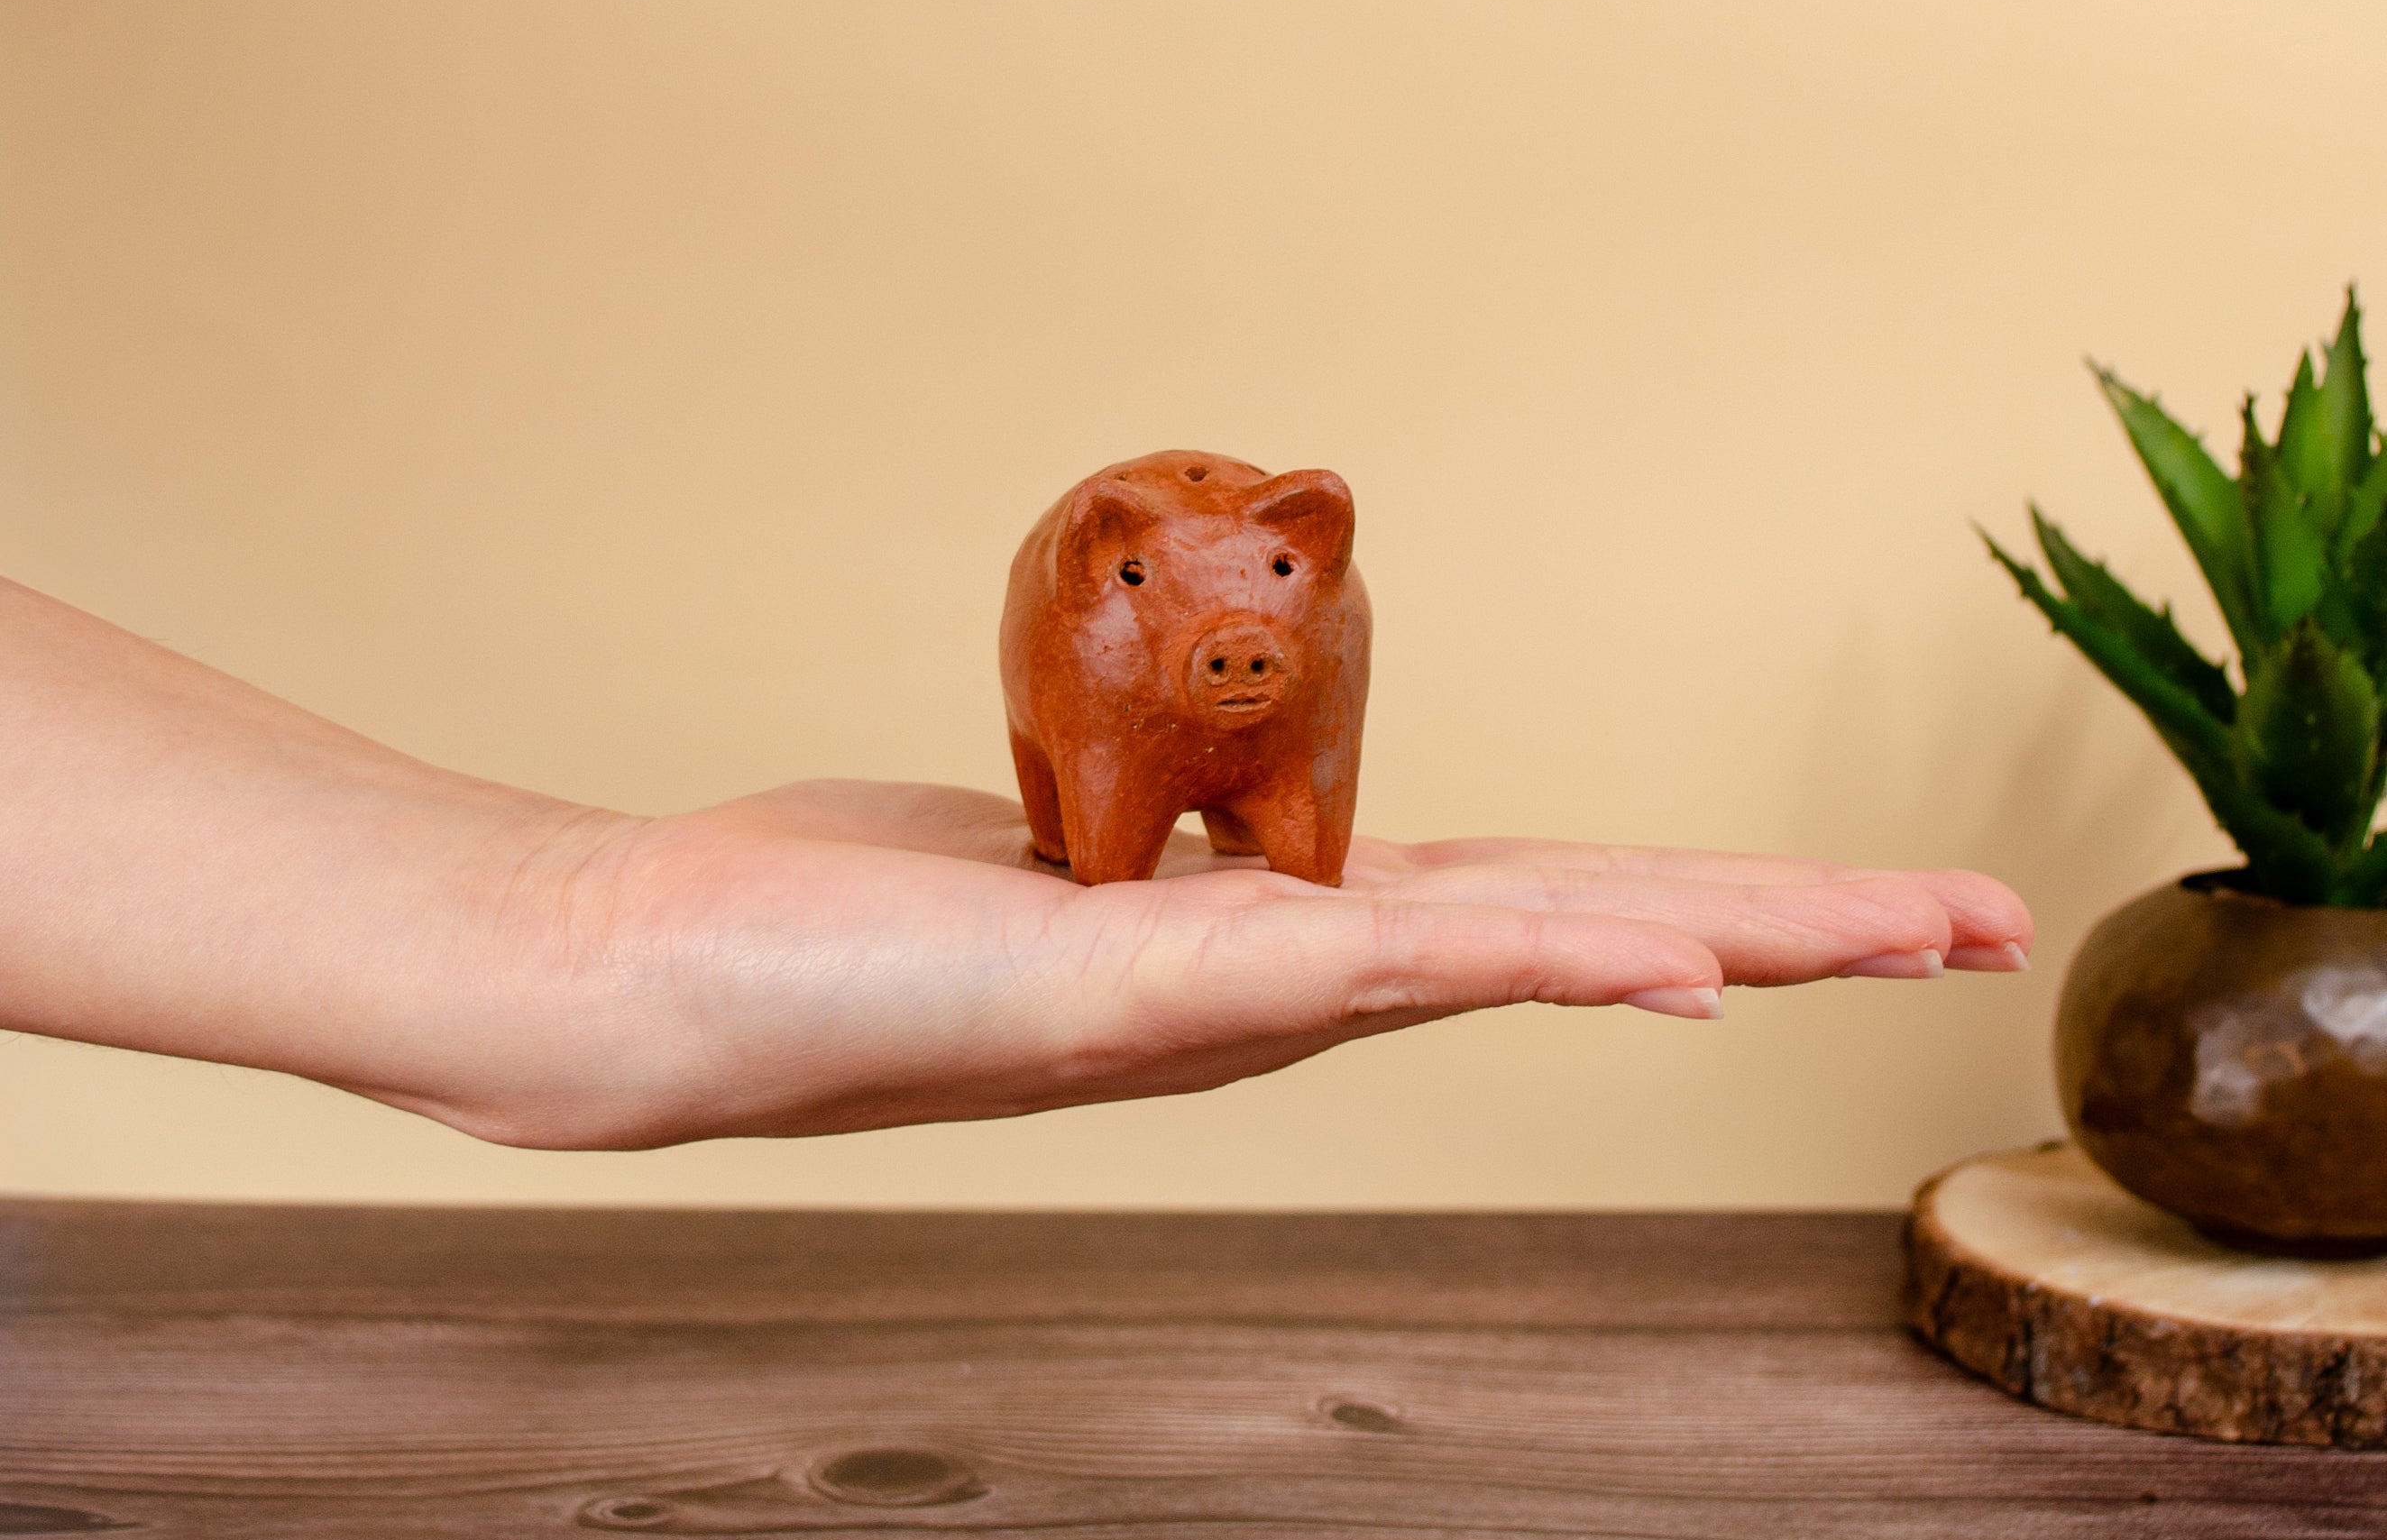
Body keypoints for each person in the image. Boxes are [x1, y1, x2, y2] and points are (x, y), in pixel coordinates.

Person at [0, 571, 2029, 1150]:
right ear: (1098, 581)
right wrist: (566, 923)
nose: (1235, 640)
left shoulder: (1311, 640)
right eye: (1167, 595)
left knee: (1286, 806)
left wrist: (560, 914)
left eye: (1269, 596)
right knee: (1114, 807)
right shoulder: (1081, 636)